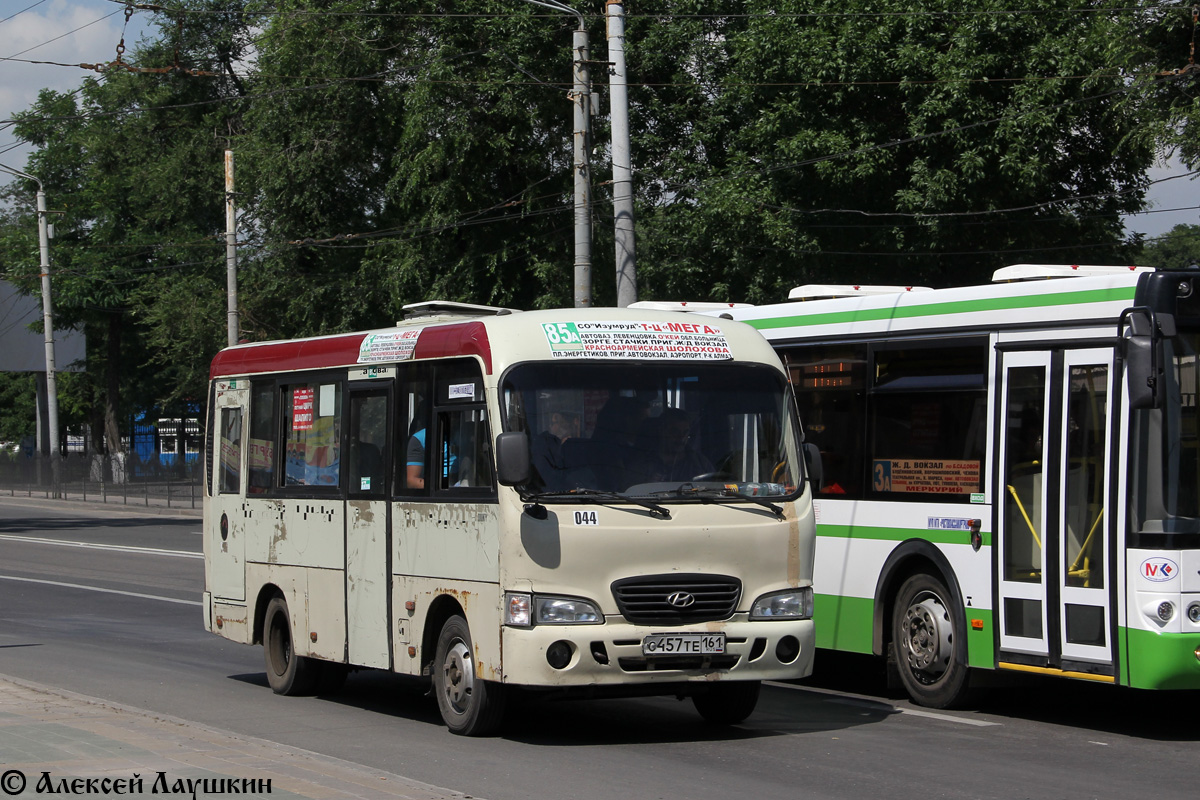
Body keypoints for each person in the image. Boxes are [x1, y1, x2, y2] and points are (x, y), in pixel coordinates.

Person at [636, 408, 712, 483]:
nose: (681, 437)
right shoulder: (643, 463)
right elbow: (630, 490)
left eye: (685, 432)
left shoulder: (700, 463)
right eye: (675, 431)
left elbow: (716, 486)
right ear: (662, 431)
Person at [530, 409, 580, 490]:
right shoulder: (543, 443)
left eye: (555, 423)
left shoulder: (575, 446)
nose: (552, 426)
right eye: (554, 423)